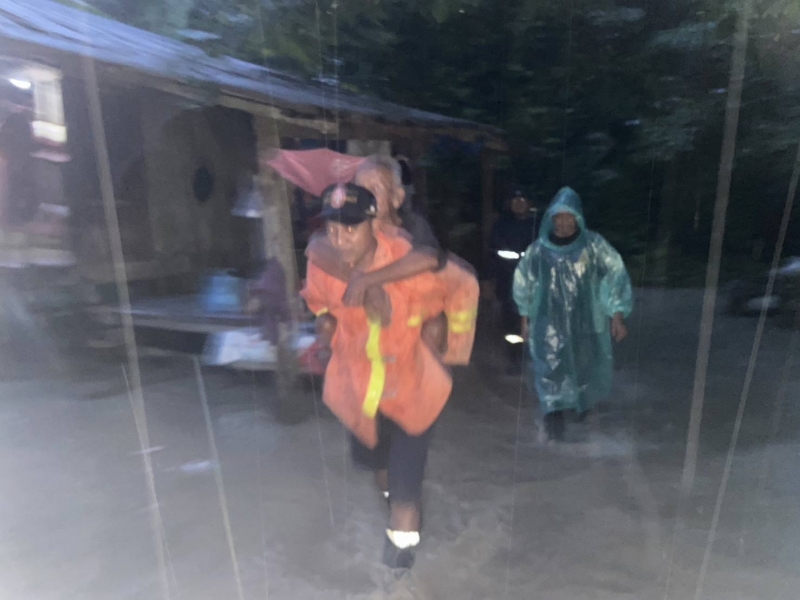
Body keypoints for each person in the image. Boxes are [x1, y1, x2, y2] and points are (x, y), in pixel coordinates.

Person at [302, 183, 477, 569]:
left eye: (351, 228)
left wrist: (449, 345)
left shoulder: (409, 263)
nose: (340, 239)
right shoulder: (324, 265)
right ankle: (395, 498)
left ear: (374, 225)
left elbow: (464, 284)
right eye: (332, 229)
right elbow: (318, 304)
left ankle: (401, 568)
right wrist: (326, 327)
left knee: (403, 491)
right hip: (361, 391)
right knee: (376, 468)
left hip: (415, 390)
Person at [513, 187, 632, 443]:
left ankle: (582, 405)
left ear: (578, 218)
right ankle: (553, 418)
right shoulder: (539, 251)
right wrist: (525, 318)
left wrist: (617, 314)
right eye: (559, 217)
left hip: (585, 319)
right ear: (552, 219)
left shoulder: (593, 245)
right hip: (548, 321)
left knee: (583, 365)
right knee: (550, 366)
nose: (564, 223)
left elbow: (615, 274)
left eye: (570, 217)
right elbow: (525, 284)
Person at [305, 155, 445, 324]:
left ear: (397, 197)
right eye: (360, 189)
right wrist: (363, 283)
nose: (365, 197)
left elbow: (430, 259)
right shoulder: (350, 223)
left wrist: (367, 280)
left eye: (374, 190)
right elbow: (315, 248)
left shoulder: (413, 225)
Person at [489, 190, 539, 373]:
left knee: (535, 321)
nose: (518, 204)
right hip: (507, 280)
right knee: (511, 323)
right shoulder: (501, 225)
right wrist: (489, 279)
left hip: (534, 282)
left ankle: (535, 359)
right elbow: (493, 254)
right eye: (515, 200)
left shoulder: (538, 225)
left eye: (522, 200)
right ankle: (515, 359)